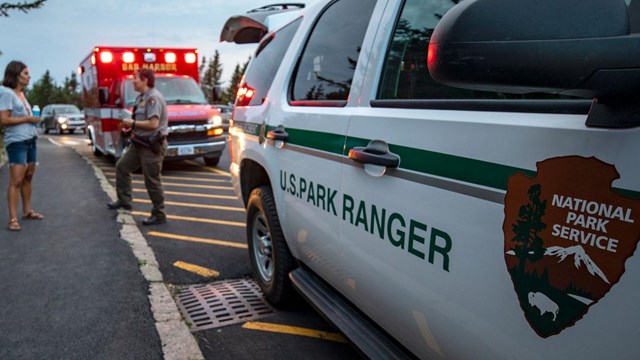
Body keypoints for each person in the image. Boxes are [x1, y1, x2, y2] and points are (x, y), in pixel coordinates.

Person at [108, 68, 168, 226]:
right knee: (122, 166)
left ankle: (159, 214)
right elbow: (140, 121)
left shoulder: (153, 98)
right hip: (139, 143)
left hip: (152, 145)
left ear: (145, 80)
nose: (133, 81)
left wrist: (133, 123)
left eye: (135, 79)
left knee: (152, 180)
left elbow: (154, 124)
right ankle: (124, 201)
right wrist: (131, 128)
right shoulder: (141, 98)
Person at [0, 60, 44, 231]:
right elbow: (3, 120)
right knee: (16, 180)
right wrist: (28, 118)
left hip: (30, 139)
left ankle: (27, 211)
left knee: (28, 176)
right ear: (15, 75)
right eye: (25, 73)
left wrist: (33, 120)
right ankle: (13, 219)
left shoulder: (21, 93)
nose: (29, 76)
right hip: (17, 141)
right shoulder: (6, 93)